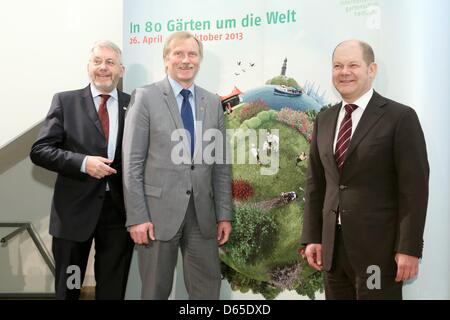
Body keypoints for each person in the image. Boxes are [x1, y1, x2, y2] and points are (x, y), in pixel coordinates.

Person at [300, 40, 429, 299]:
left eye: (352, 65)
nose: (344, 72)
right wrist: (312, 236)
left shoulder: (400, 118)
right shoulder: (324, 120)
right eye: (337, 66)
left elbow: (414, 190)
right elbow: (317, 184)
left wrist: (409, 248)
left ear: (371, 70)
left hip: (378, 254)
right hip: (333, 253)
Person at [122, 31, 232, 300]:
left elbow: (220, 164)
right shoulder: (145, 97)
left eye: (192, 54)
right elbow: (132, 163)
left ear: (200, 59)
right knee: (154, 292)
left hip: (203, 216)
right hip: (157, 216)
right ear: (166, 59)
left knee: (207, 293)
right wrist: (137, 216)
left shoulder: (213, 102)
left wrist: (224, 213)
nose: (186, 60)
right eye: (179, 54)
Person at [30, 40, 133, 299]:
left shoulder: (133, 104)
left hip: (119, 216)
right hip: (73, 217)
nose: (103, 67)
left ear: (121, 70)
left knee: (112, 289)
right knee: (70, 287)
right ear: (88, 66)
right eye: (97, 61)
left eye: (110, 62)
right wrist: (83, 163)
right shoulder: (66, 102)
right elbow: (40, 150)